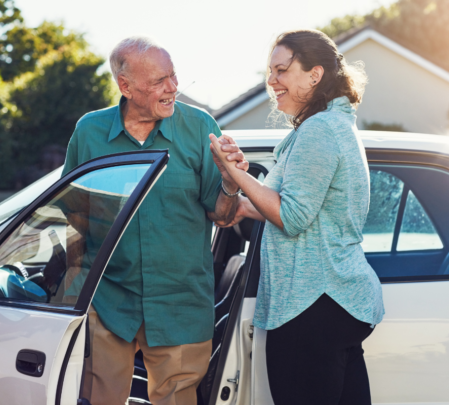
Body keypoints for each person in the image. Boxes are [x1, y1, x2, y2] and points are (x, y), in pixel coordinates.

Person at [61, 36, 247, 405]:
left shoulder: (199, 127)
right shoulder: (89, 132)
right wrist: (74, 290)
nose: (173, 88)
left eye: (174, 77)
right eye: (159, 81)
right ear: (125, 86)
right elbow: (73, 214)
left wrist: (229, 183)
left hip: (180, 303)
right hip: (109, 301)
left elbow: (223, 216)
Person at [209, 29, 385, 404]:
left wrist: (237, 173)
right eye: (270, 72)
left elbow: (292, 216)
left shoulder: (320, 131)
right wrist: (239, 199)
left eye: (282, 70)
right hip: (336, 303)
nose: (272, 81)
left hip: (314, 304)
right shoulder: (330, 125)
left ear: (314, 75)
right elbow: (296, 206)